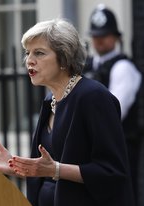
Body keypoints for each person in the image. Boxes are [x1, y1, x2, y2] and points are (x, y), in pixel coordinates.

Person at [0, 18, 134, 206]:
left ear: (64, 57)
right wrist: (17, 166)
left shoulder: (93, 97)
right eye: (27, 53)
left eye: (39, 53)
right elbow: (47, 171)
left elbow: (112, 172)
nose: (29, 60)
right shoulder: (51, 100)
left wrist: (55, 170)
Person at [83, 5, 142, 204]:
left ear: (115, 37)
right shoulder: (86, 66)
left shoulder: (123, 67)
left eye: (105, 34)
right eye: (96, 35)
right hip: (91, 153)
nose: (99, 39)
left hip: (117, 152)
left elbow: (113, 114)